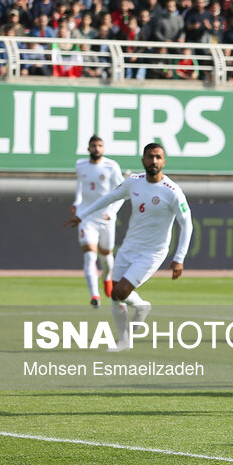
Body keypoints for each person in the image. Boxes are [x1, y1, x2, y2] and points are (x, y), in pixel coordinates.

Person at [65, 143, 192, 352]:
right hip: (128, 247)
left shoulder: (173, 192)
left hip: (152, 253)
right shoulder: (133, 182)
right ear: (143, 160)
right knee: (115, 295)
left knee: (121, 291)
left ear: (164, 161)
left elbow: (187, 223)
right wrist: (82, 215)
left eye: (158, 157)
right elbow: (109, 198)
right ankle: (126, 336)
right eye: (150, 157)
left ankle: (135, 318)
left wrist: (180, 257)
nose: (154, 161)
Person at [71, 135, 124, 308]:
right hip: (87, 216)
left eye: (100, 145)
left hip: (105, 217)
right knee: (89, 256)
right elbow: (80, 187)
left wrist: (112, 211)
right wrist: (76, 203)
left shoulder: (111, 166)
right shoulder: (80, 165)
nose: (97, 149)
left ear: (103, 148)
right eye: (94, 146)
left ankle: (107, 277)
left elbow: (122, 192)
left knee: (106, 257)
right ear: (88, 148)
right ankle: (95, 295)